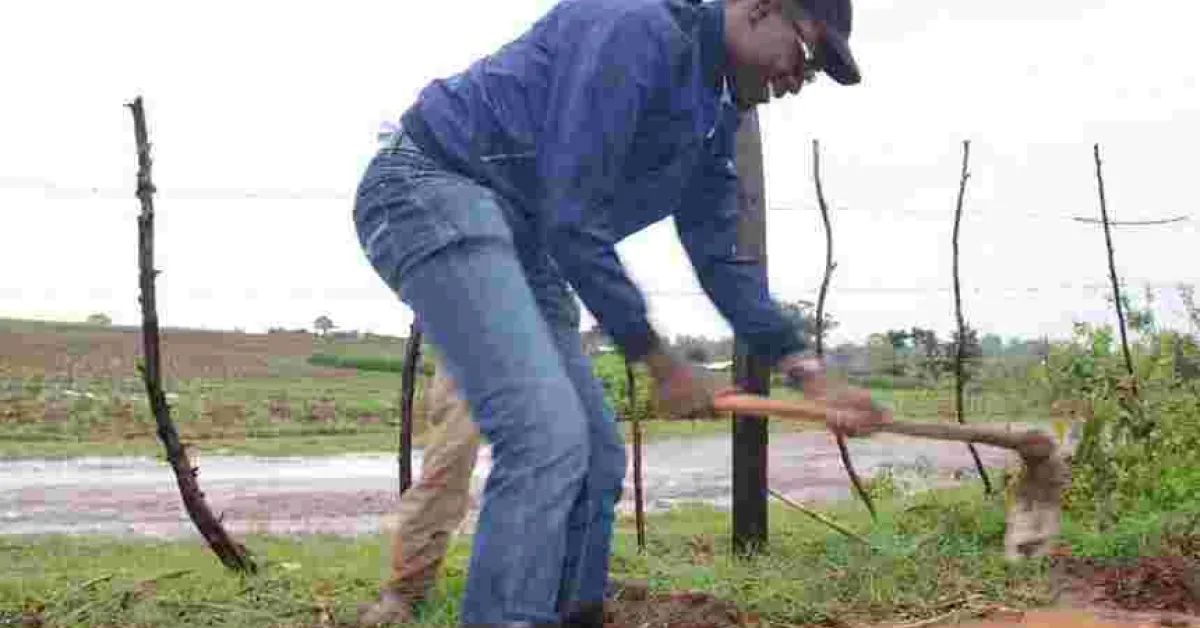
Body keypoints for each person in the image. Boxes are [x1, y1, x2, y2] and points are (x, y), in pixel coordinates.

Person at [351, 0, 890, 625]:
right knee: (545, 436)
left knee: (596, 454)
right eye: (805, 52)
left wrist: (810, 373)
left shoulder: (716, 118)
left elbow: (724, 267)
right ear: (760, 8)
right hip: (430, 186)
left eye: (815, 72)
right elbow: (572, 218)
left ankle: (572, 613)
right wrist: (661, 362)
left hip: (522, 239)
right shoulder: (635, 27)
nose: (799, 79)